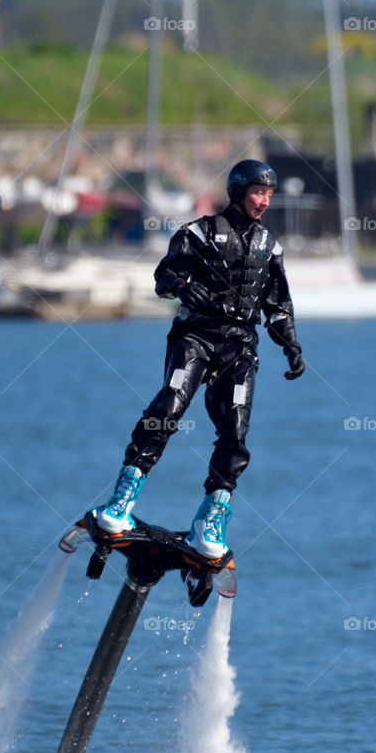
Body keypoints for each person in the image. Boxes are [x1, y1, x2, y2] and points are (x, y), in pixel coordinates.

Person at [92, 159, 305, 558]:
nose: (264, 202)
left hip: (240, 347)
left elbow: (278, 305)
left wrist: (291, 345)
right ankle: (124, 495)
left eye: (269, 195)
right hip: (196, 338)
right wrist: (185, 287)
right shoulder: (198, 233)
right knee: (168, 407)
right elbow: (163, 277)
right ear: (238, 192)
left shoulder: (269, 246)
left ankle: (211, 517)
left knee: (235, 430)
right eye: (259, 193)